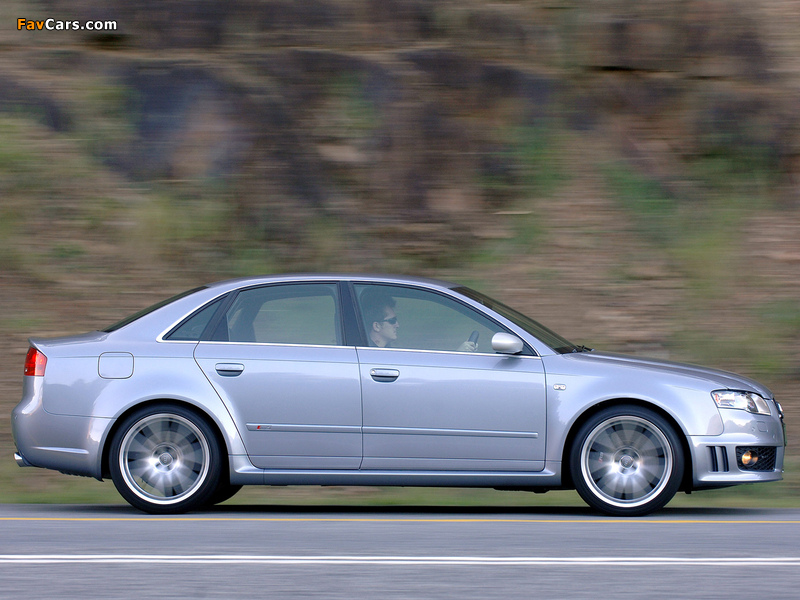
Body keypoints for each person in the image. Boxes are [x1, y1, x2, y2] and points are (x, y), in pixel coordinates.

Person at [359, 288, 478, 352]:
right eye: (392, 321)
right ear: (377, 326)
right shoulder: (374, 356)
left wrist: (458, 354)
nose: (397, 325)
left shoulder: (391, 350)